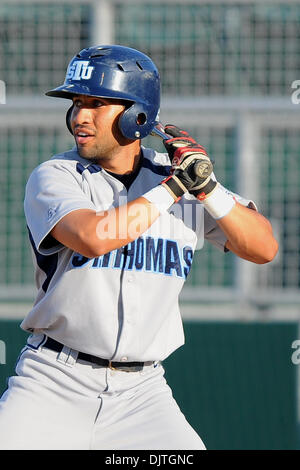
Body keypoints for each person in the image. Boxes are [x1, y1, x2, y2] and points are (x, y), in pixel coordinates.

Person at [0, 45, 278, 450]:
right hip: (53, 380)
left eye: (97, 103)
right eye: (77, 103)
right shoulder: (57, 176)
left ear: (137, 116)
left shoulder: (180, 184)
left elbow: (264, 247)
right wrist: (175, 189)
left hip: (142, 394)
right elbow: (95, 237)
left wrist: (209, 189)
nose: (80, 116)